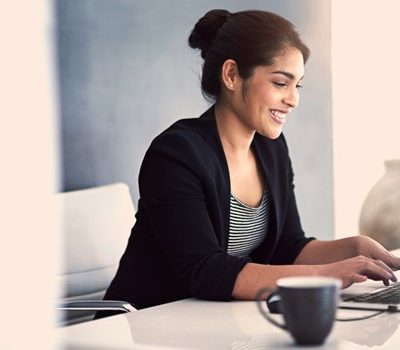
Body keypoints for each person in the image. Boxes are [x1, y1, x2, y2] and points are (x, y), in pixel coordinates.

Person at [100, 9, 400, 314]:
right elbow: (206, 271)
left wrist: (355, 248)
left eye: (298, 85)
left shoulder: (272, 148)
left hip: (211, 321)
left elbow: (289, 247)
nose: (293, 99)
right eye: (281, 83)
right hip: (143, 326)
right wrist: (328, 275)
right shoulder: (175, 154)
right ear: (231, 75)